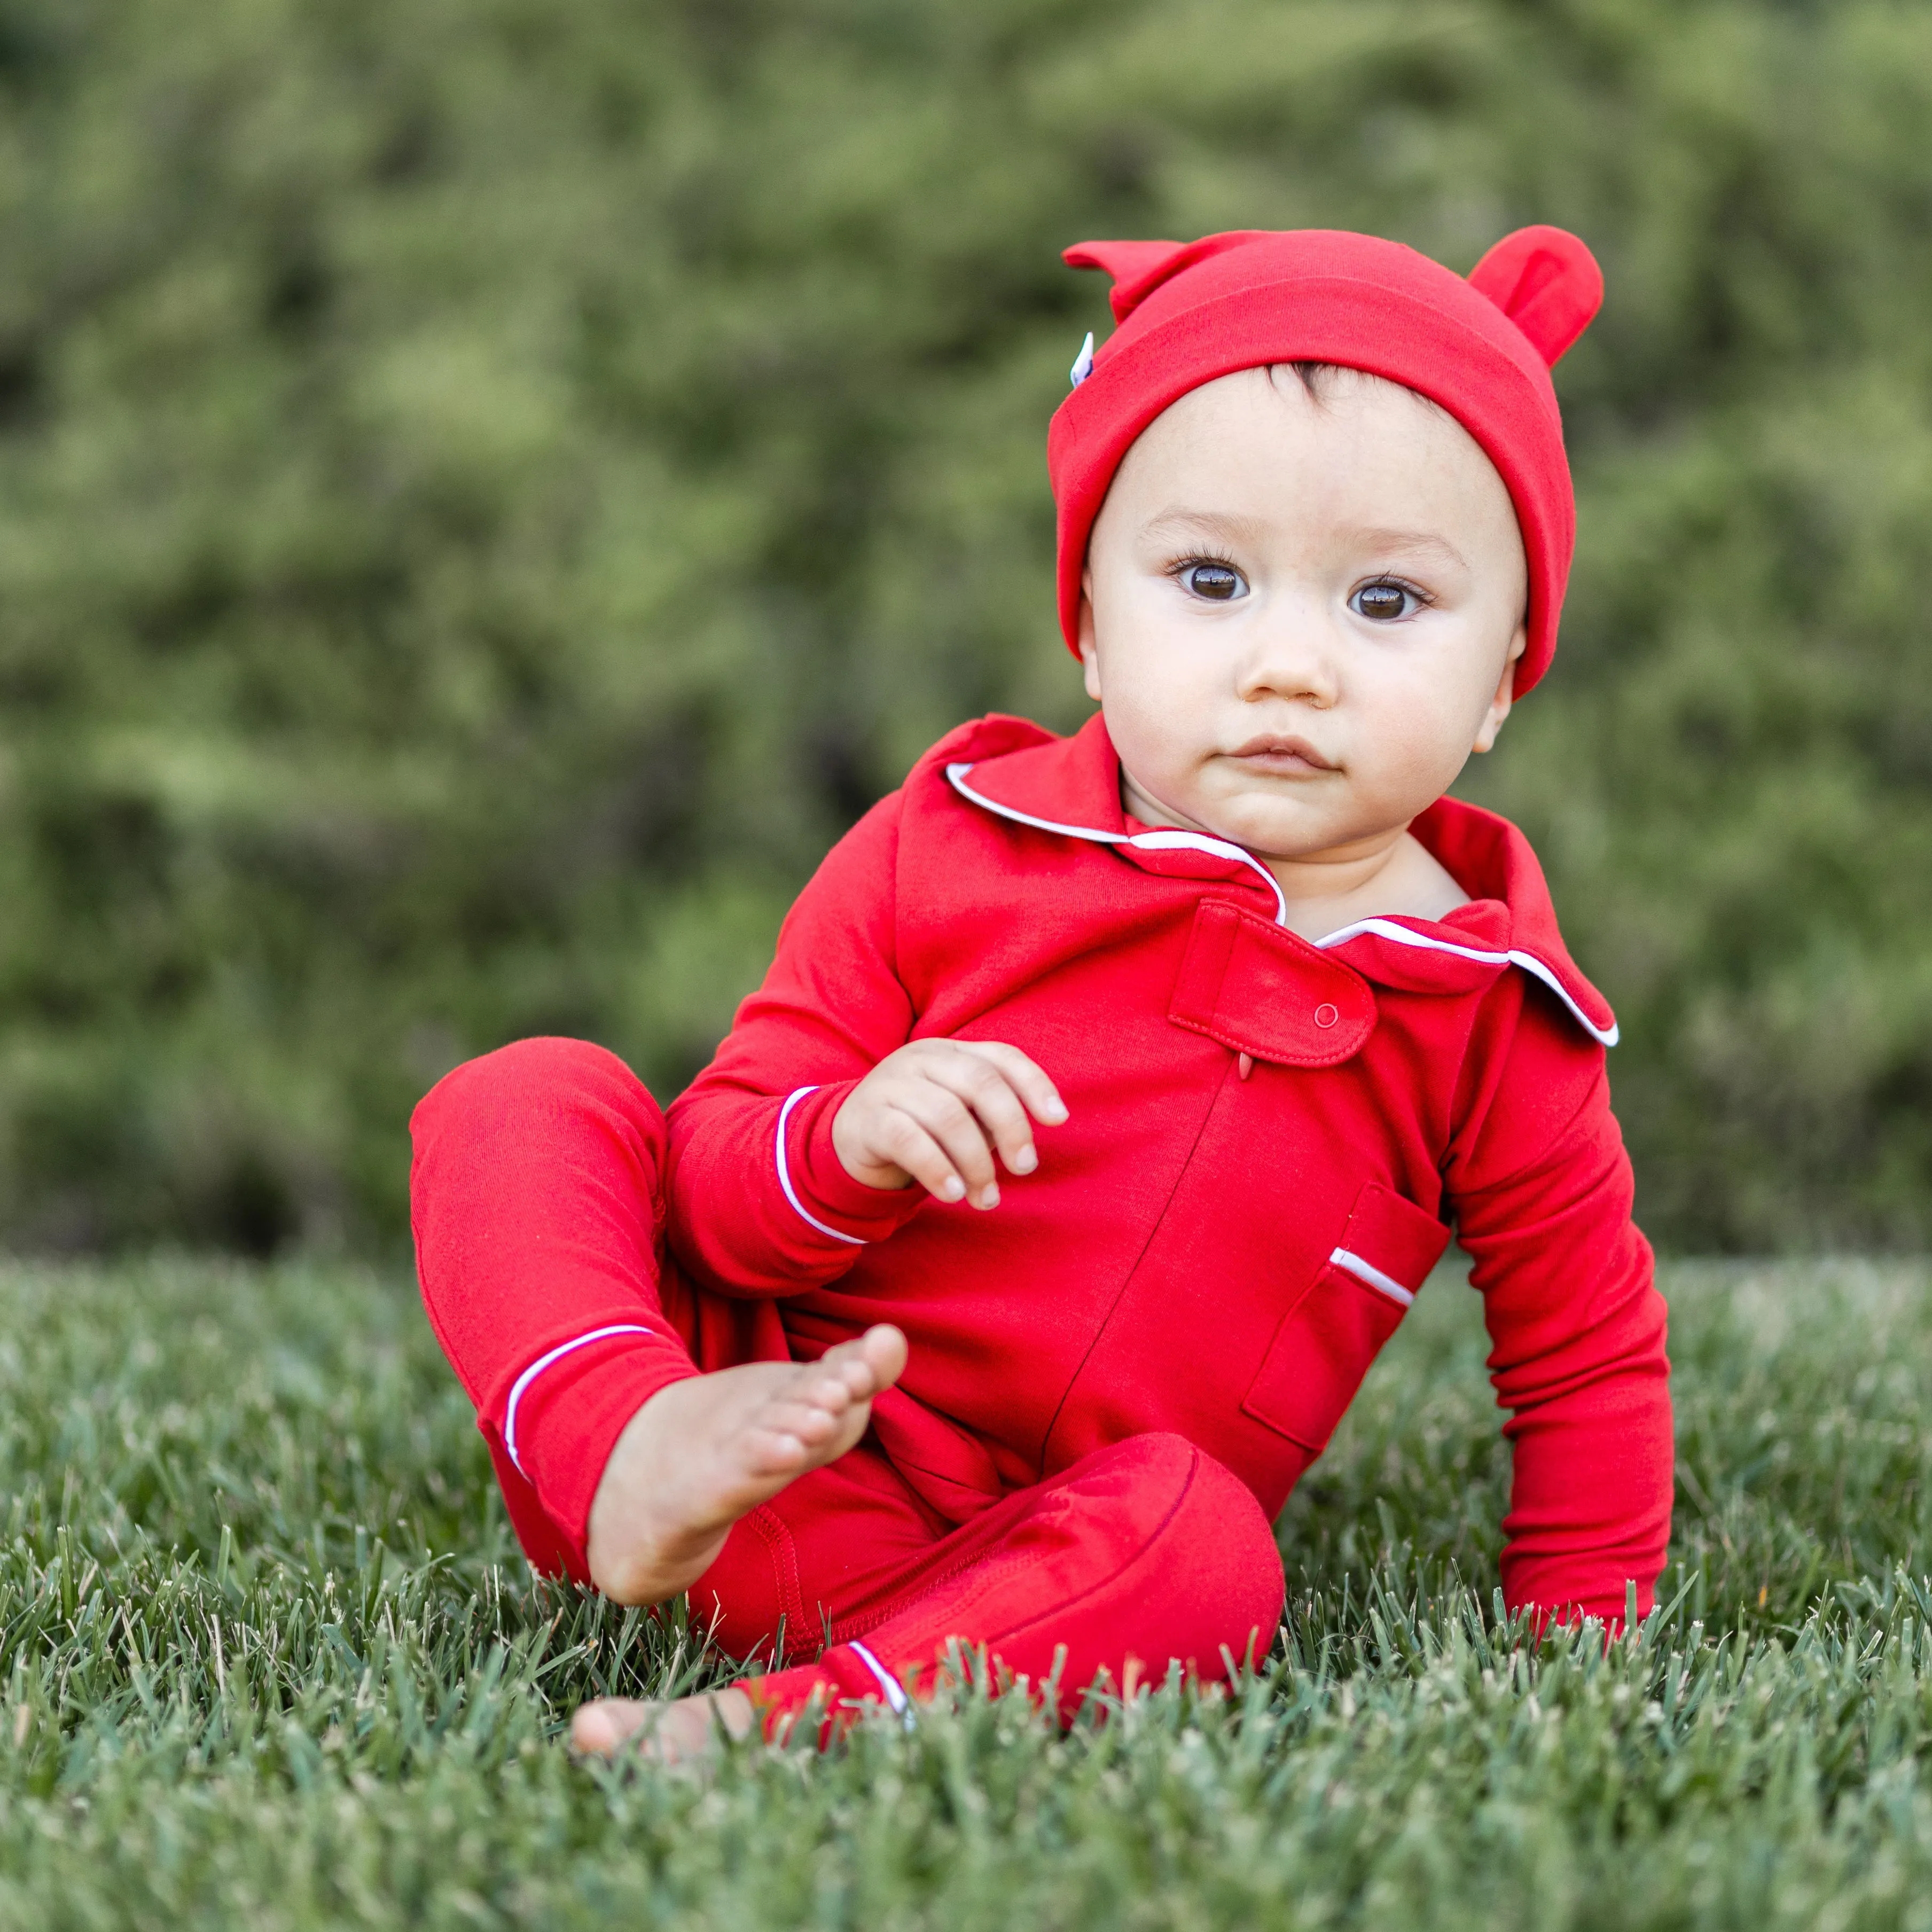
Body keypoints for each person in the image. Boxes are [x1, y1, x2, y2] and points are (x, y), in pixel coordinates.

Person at [409, 224, 1673, 1763]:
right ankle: (619, 1448)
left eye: (1386, 606)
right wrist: (848, 1142)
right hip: (746, 1410)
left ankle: (770, 1730)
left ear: (1503, 678)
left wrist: (1580, 1638)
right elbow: (717, 1178)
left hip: (1024, 1560)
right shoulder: (951, 841)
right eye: (1210, 579)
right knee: (525, 1101)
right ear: (1086, 621)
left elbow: (1584, 1352)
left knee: (1209, 1550)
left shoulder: (1497, 1011)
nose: (1288, 664)